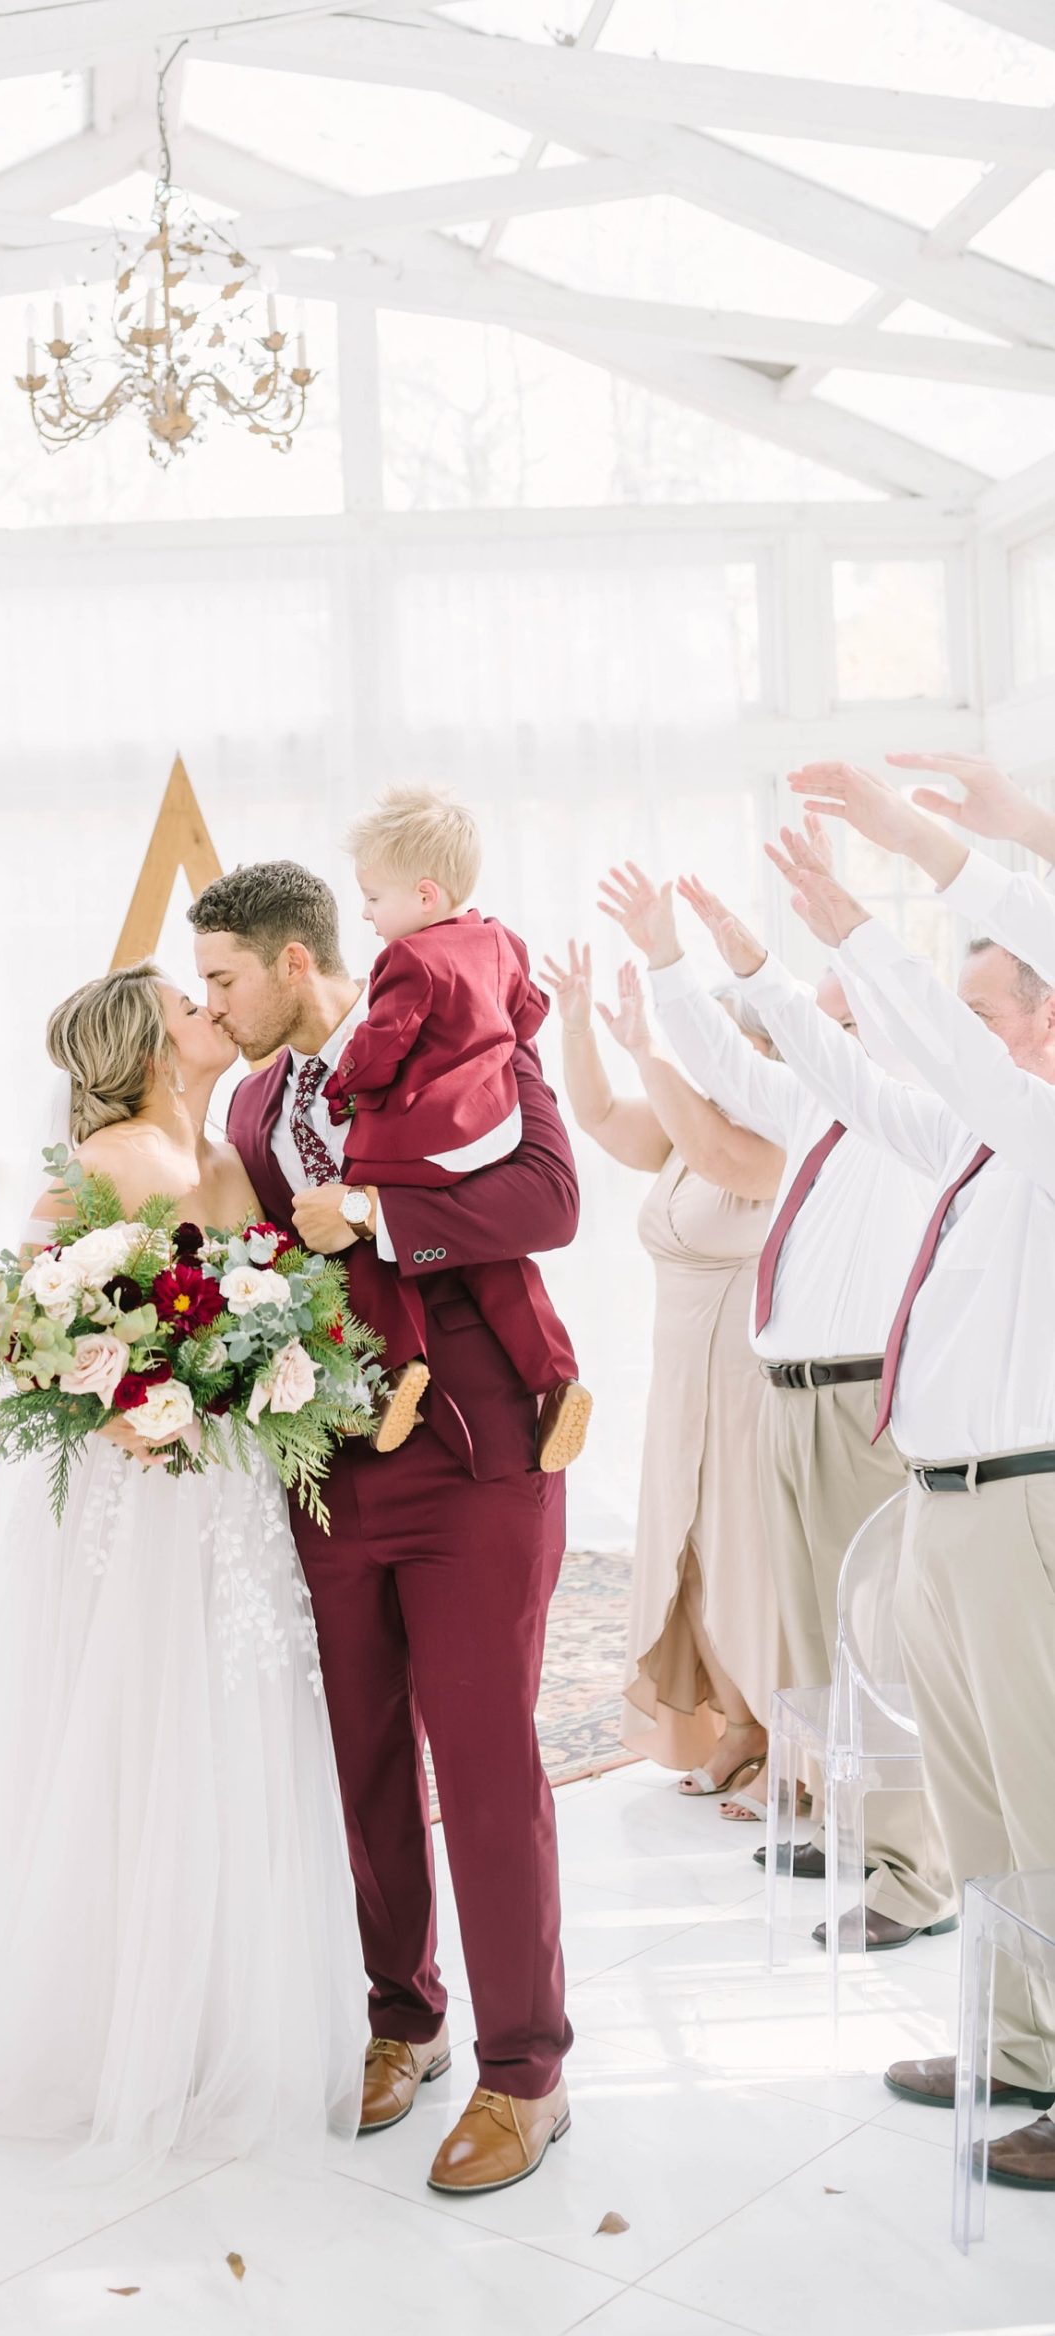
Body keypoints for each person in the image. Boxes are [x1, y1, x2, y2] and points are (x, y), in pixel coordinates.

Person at [0, 962, 364, 2170]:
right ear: (148, 1046)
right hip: (136, 1505)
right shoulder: (108, 1160)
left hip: (230, 1489)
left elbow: (269, 1307)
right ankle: (107, 2022)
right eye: (191, 1004)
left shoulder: (232, 1162)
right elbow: (26, 1338)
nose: (211, 1013)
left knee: (230, 1720)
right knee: (135, 1724)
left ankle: (218, 2014)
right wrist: (124, 1402)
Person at [190, 861, 578, 2198]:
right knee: (357, 1757)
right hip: (328, 1465)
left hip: (475, 1451)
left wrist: (378, 1215)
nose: (212, 1007)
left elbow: (548, 1202)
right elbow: (254, 1264)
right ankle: (399, 2018)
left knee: (480, 1759)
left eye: (225, 980)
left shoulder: (466, 1037)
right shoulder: (247, 1103)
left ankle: (527, 2071)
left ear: (298, 962)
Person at [692, 813, 1055, 2193]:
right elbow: (848, 1081)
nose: (960, 1039)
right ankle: (1020, 2044)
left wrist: (863, 915)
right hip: (947, 1502)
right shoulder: (972, 1149)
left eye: (981, 1015)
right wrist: (747, 975)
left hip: (1022, 1508)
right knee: (979, 1805)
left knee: (1041, 1801)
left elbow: (941, 1054)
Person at [601, 862, 953, 1948]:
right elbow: (715, 1058)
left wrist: (756, 957)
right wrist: (667, 958)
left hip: (855, 1399)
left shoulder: (912, 1108)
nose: (807, 1026)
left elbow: (796, 1026)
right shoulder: (813, 1107)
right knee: (810, 1637)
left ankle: (912, 1872)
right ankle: (842, 1819)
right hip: (790, 1396)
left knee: (873, 1642)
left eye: (832, 1010)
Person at [541, 933, 784, 1810]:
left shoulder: (778, 1137)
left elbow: (724, 1160)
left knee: (741, 1556)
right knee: (687, 1555)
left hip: (746, 1379)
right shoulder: (689, 1129)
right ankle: (739, 1728)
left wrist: (652, 1054)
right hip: (682, 1377)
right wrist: (577, 1026)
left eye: (729, 1044)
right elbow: (603, 1116)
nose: (711, 1061)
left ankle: (785, 1744)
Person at [324, 785, 584, 1458]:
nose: (366, 913)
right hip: (491, 1126)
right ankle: (556, 1380)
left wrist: (344, 1085)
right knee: (494, 1254)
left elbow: (384, 1043)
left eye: (374, 898)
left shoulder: (406, 960)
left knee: (368, 1227)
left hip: (421, 1134)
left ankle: (400, 1372)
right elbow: (528, 1013)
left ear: (425, 896)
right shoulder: (501, 940)